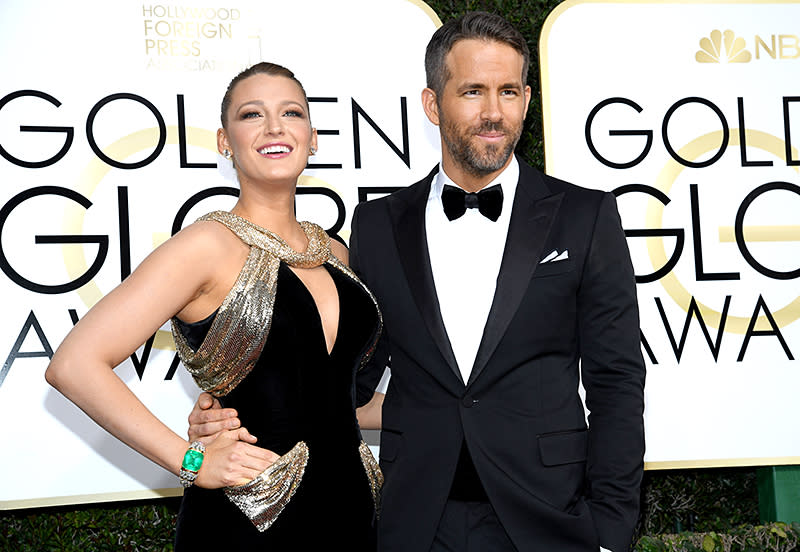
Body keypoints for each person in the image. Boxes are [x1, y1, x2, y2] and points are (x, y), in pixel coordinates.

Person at [190, 11, 645, 552]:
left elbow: (616, 380)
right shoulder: (379, 226)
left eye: (508, 91)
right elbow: (343, 384)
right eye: (473, 91)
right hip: (415, 520)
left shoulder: (585, 216)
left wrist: (612, 530)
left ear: (527, 99)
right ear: (433, 104)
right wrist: (235, 411)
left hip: (548, 518)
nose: (494, 112)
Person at [45, 62, 383, 551]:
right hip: (247, 517)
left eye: (291, 112)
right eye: (252, 114)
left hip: (352, 512)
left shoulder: (335, 253)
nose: (274, 127)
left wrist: (466, 414)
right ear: (225, 142)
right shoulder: (205, 245)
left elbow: (337, 399)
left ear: (313, 137)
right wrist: (190, 461)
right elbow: (74, 364)